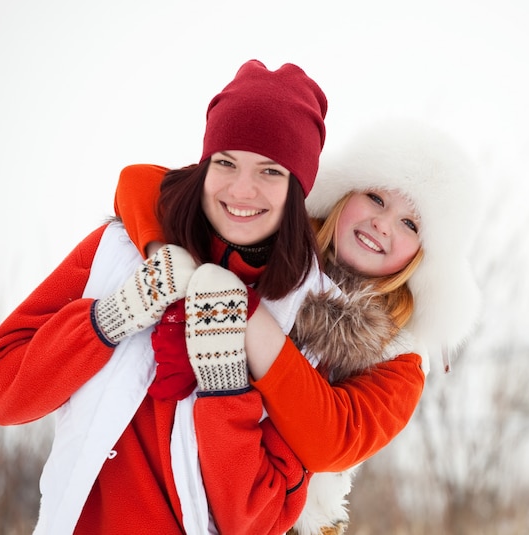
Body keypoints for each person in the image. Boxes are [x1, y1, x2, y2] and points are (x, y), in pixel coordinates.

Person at [0, 59, 332, 535]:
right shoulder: (118, 252)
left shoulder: (307, 320)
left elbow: (259, 520)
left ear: (297, 189)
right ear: (204, 165)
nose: (241, 189)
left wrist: (224, 381)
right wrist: (111, 318)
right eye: (225, 162)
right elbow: (1, 392)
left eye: (270, 171)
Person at [115, 118, 480, 535]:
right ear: (342, 192)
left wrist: (244, 312)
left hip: (270, 515)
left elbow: (332, 439)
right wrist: (176, 265)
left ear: (422, 257)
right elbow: (141, 183)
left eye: (410, 224)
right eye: (376, 198)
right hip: (153, 485)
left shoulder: (400, 357)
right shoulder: (271, 241)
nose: (383, 223)